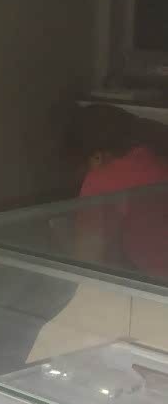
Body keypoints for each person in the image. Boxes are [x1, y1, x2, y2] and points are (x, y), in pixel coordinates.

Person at [66, 103, 168, 275]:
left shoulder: (99, 180)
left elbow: (86, 260)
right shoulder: (155, 160)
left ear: (96, 156)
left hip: (155, 281)